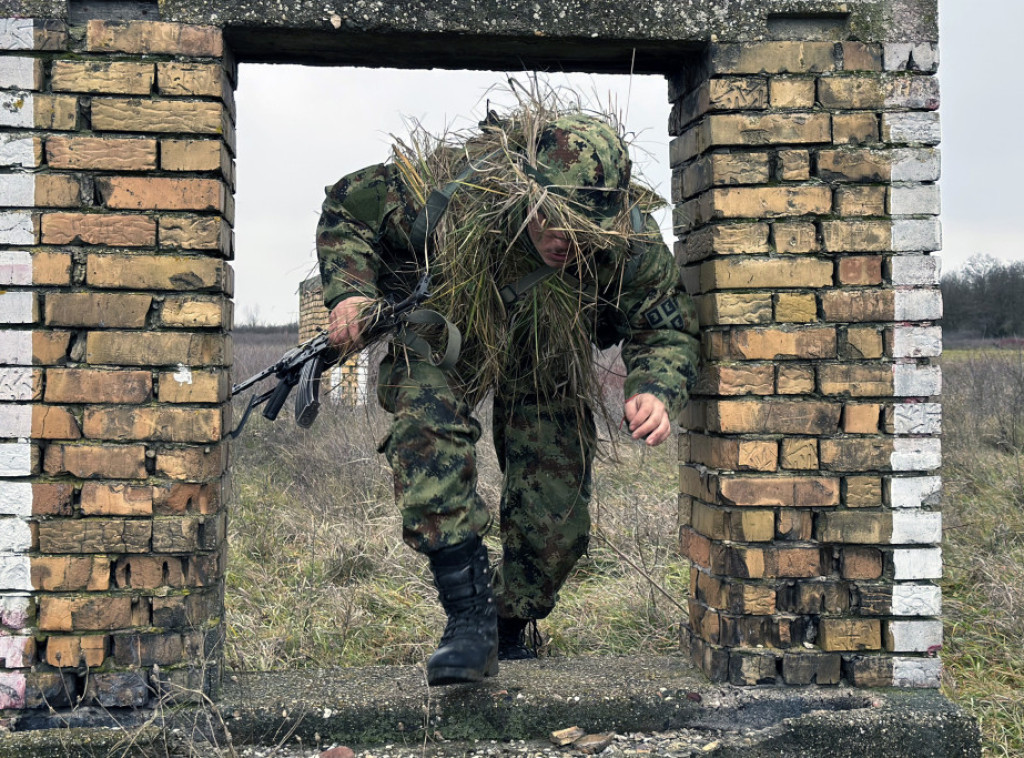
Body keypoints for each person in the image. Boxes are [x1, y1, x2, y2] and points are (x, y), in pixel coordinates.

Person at [315, 95, 699, 686]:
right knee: (426, 424)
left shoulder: (632, 241)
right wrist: (348, 290)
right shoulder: (456, 194)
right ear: (526, 191)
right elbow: (349, 205)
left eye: (585, 231)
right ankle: (468, 620)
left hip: (545, 353)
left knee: (556, 523)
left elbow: (663, 324)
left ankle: (507, 630)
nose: (566, 242)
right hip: (452, 334)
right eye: (554, 220)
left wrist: (654, 388)